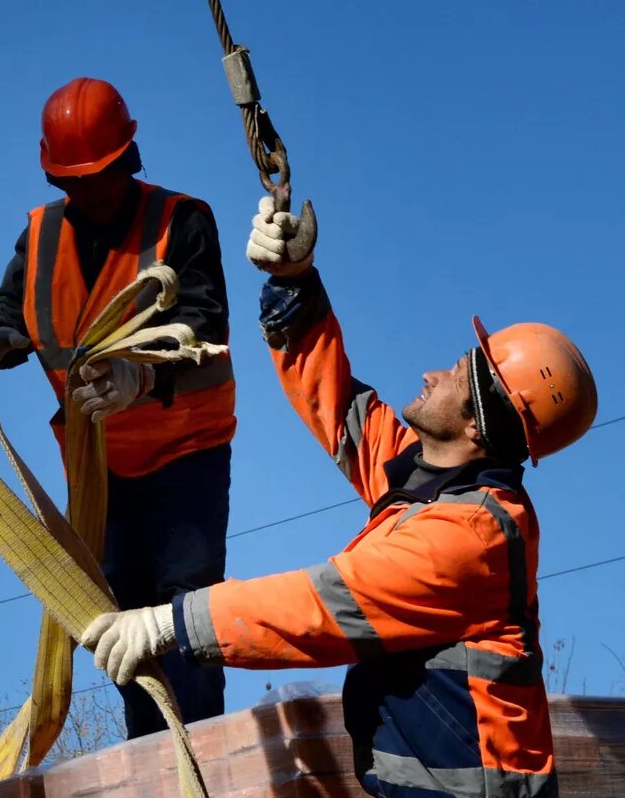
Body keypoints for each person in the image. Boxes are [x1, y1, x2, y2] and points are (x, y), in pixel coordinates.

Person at [81, 195, 597, 798]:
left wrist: (172, 624)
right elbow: (336, 404)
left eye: (457, 374)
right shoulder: (418, 482)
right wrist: (292, 280)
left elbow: (326, 604)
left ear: (477, 426)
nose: (432, 374)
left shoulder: (473, 537)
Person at [0, 77, 236, 737]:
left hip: (184, 457)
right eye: (75, 181)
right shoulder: (42, 235)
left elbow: (204, 318)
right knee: (120, 628)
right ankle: (154, 758)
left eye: (100, 177)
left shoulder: (180, 221)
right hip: (101, 473)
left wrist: (139, 376)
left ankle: (197, 759)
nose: (90, 192)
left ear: (127, 162)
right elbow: (12, 306)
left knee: (184, 616)